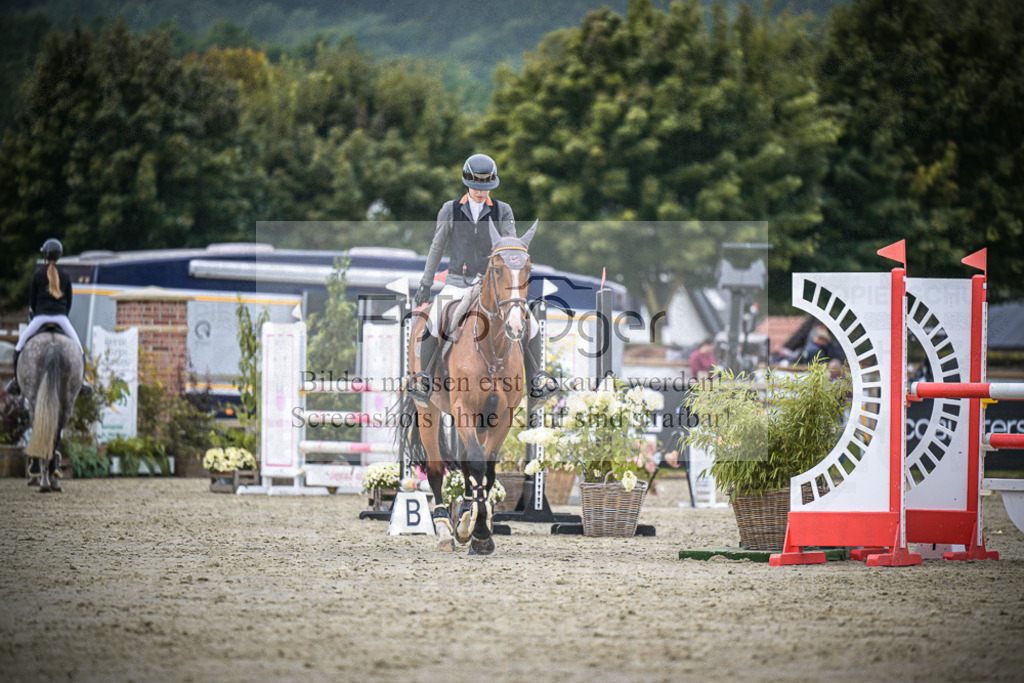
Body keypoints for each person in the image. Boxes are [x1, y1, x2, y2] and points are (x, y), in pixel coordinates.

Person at [410, 153, 555, 401]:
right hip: (457, 282)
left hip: (491, 285)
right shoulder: (450, 209)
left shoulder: (502, 210)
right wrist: (426, 283)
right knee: (434, 320)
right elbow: (437, 247)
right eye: (476, 187)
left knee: (530, 323)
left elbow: (511, 247)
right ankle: (424, 378)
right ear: (467, 183)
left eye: (485, 187)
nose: (480, 192)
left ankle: (535, 380)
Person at [6, 238, 92, 396]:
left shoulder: (38, 274)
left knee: (19, 346)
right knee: (79, 349)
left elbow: (32, 300)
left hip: (40, 317)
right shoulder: (65, 275)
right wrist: (62, 314)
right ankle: (82, 382)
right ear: (59, 256)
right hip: (61, 317)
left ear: (44, 255)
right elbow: (69, 302)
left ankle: (16, 382)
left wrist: (36, 313)